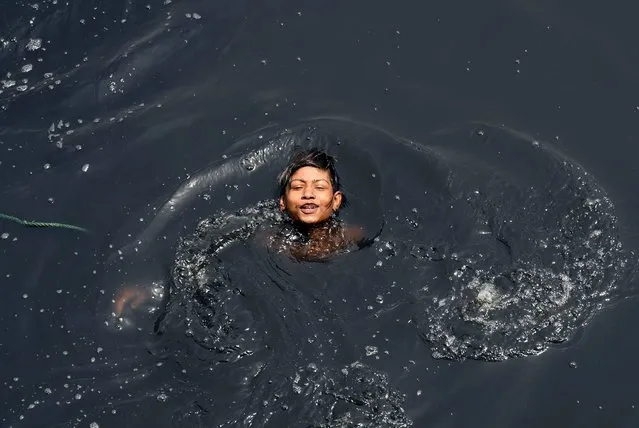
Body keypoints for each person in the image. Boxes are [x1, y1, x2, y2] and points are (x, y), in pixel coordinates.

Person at [113, 148, 363, 316]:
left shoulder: (354, 236)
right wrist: (154, 288)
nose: (308, 193)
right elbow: (198, 250)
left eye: (319, 187)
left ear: (337, 200)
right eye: (298, 187)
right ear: (282, 203)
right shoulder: (265, 236)